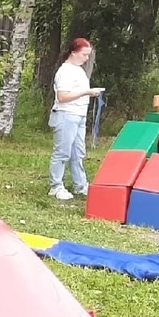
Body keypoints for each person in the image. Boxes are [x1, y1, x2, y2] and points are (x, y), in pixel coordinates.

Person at [48, 37, 103, 201]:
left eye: (88, 55)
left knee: (77, 153)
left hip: (79, 116)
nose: (86, 58)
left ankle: (80, 185)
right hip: (65, 114)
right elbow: (62, 97)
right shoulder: (64, 71)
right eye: (84, 54)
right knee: (62, 152)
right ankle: (56, 186)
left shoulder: (79, 70)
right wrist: (86, 92)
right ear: (73, 52)